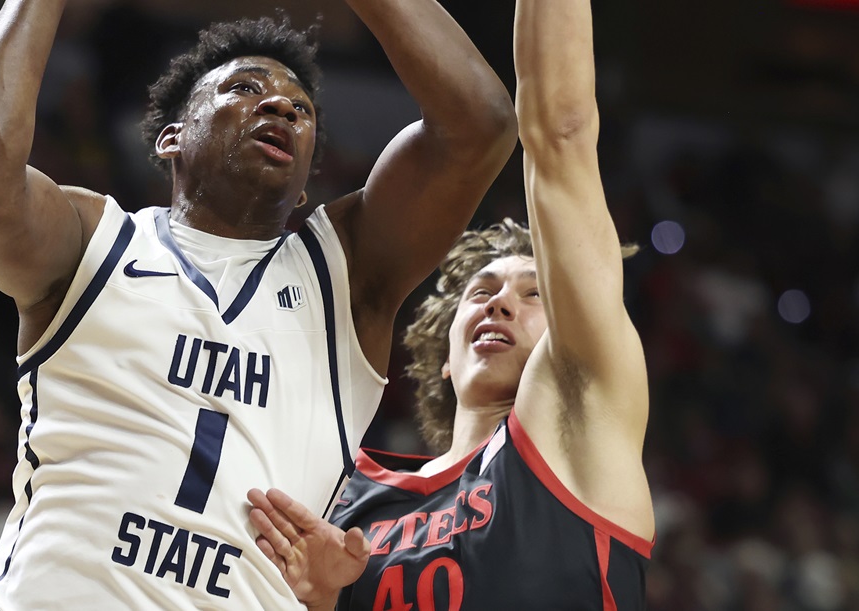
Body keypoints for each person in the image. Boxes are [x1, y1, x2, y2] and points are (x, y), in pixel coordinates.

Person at [0, 0, 517, 607]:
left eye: (302, 109)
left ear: (308, 173)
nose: (282, 104)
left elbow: (480, 125)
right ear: (171, 137)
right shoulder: (94, 243)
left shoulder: (344, 278)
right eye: (243, 87)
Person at [246, 0, 656, 609]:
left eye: (533, 294)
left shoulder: (583, 431)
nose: (499, 307)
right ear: (445, 353)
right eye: (482, 293)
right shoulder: (345, 492)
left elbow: (561, 136)